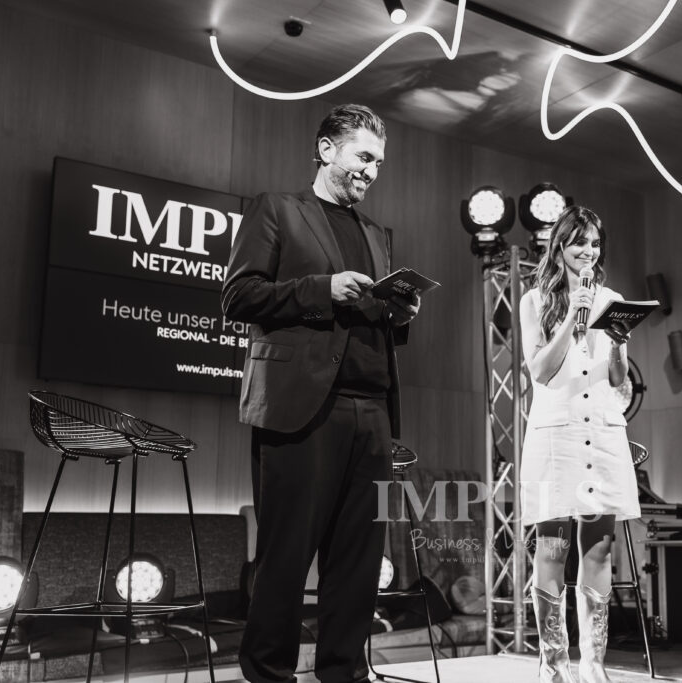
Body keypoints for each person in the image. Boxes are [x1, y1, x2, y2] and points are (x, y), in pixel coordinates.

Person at [221, 103, 420, 683]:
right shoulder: (277, 209)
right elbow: (238, 296)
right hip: (301, 410)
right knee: (285, 557)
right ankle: (268, 674)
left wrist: (399, 313)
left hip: (373, 412)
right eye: (363, 156)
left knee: (358, 563)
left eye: (378, 163)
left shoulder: (376, 235)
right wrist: (321, 289)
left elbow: (370, 318)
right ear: (327, 149)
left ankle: (345, 674)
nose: (371, 171)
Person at [518, 205, 640, 683]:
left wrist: (620, 344)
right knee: (552, 549)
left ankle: (594, 667)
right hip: (557, 436)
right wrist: (573, 314)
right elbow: (541, 371)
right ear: (560, 247)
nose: (588, 251)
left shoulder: (613, 299)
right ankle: (554, 666)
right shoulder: (534, 301)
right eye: (579, 242)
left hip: (602, 433)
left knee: (599, 551)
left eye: (595, 243)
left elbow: (617, 379)